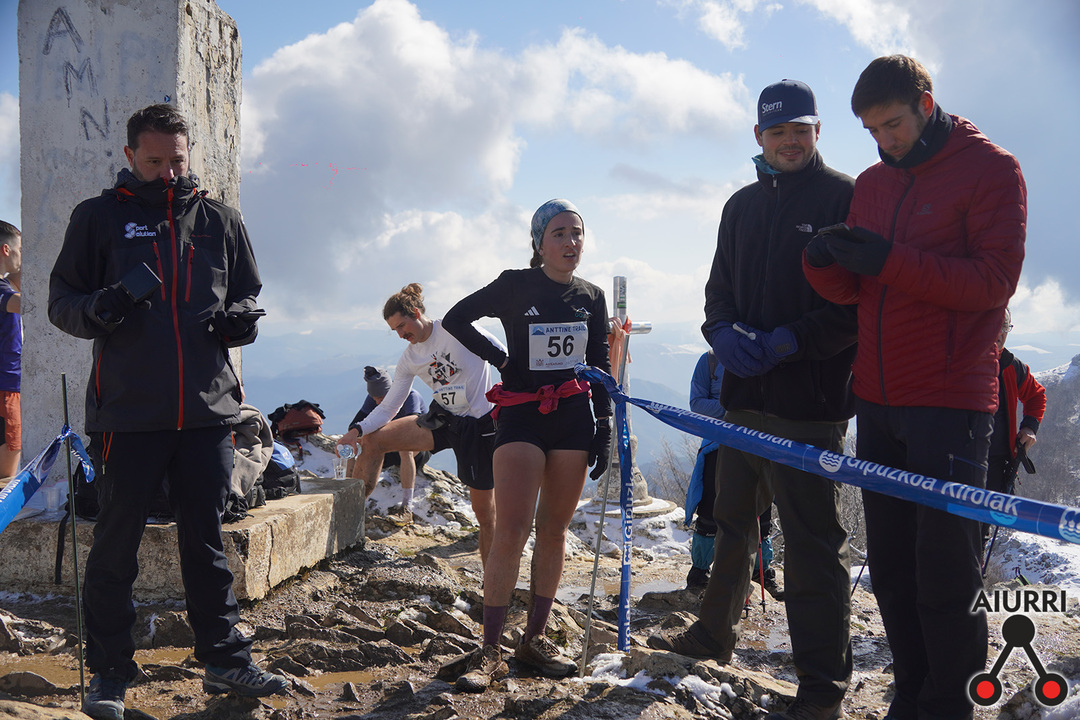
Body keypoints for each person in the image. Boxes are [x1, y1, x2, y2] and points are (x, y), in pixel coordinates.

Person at [803, 56, 1026, 720]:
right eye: (871, 130)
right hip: (877, 398)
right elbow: (861, 291)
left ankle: (949, 707)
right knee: (894, 570)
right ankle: (911, 695)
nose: (884, 141)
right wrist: (823, 265)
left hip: (951, 401)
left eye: (893, 124)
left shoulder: (992, 170)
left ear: (926, 104)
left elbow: (993, 282)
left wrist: (889, 260)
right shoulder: (873, 183)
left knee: (947, 574)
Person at [48, 104, 288, 720]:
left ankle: (225, 659)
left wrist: (242, 321)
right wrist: (103, 305)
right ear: (130, 156)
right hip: (127, 416)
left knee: (206, 541)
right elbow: (62, 303)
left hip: (208, 412)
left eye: (176, 160)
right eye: (154, 161)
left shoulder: (218, 219)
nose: (168, 172)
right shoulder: (98, 217)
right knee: (115, 547)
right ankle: (109, 672)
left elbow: (248, 291)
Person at [649, 79, 857, 720]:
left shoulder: (844, 197)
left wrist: (793, 340)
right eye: (778, 131)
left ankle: (822, 685)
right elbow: (718, 291)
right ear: (759, 136)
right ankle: (714, 636)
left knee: (812, 544)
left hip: (810, 406)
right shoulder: (739, 206)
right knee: (733, 524)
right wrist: (719, 332)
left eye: (801, 130)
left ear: (818, 131)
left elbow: (855, 306)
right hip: (742, 404)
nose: (790, 141)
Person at [442, 198, 612, 692]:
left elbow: (600, 359)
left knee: (554, 530)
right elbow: (456, 318)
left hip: (573, 416)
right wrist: (501, 359)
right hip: (521, 414)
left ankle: (534, 640)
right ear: (539, 242)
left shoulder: (592, 295)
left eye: (577, 232)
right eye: (559, 233)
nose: (570, 241)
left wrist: (604, 421)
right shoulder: (515, 283)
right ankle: (490, 649)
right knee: (512, 529)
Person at [337, 284, 500, 562]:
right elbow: (389, 407)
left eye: (402, 326)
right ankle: (349, 517)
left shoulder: (456, 329)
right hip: (443, 419)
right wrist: (356, 431)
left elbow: (505, 357)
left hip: (479, 426)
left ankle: (492, 581)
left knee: (485, 514)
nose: (401, 335)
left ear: (415, 313)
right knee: (372, 440)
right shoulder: (410, 358)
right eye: (395, 331)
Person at [684, 350, 782, 601]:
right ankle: (700, 572)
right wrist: (736, 409)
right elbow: (696, 404)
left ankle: (761, 571)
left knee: (761, 512)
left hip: (758, 444)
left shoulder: (765, 354)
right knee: (710, 510)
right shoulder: (710, 361)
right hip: (717, 445)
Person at [343, 365, 430, 514]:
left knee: (405, 449)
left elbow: (414, 427)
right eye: (374, 399)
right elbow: (355, 424)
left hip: (418, 447)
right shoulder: (373, 398)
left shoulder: (410, 396)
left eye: (381, 399)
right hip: (389, 447)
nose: (378, 403)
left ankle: (407, 505)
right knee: (354, 442)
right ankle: (348, 490)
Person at [987, 309, 1044, 501]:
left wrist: (1029, 427)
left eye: (1004, 326)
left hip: (998, 467)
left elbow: (1036, 395)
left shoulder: (1011, 366)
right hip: (960, 463)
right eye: (993, 324)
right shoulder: (958, 363)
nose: (999, 333)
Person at [0, 221, 21, 480]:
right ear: (6, 250)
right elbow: (30, 306)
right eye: (21, 250)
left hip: (8, 385)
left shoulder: (7, 287)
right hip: (5, 387)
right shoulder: (5, 293)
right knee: (5, 479)